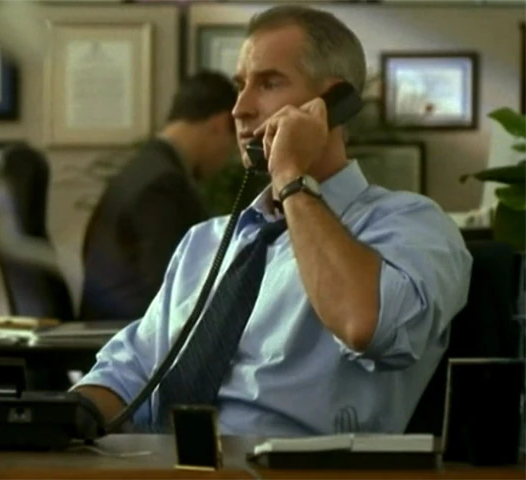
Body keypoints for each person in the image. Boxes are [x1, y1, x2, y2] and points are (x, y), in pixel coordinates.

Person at [72, 4, 472, 436]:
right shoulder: (206, 242)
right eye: (240, 86)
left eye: (268, 83)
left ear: (330, 104)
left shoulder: (410, 224)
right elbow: (131, 369)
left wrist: (291, 178)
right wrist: (61, 420)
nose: (239, 108)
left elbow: (365, 326)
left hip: (281, 463)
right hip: (157, 460)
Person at [80, 71, 238, 321]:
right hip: (130, 333)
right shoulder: (163, 184)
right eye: (232, 145)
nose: (227, 157)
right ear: (219, 125)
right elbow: (174, 287)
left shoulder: (145, 167)